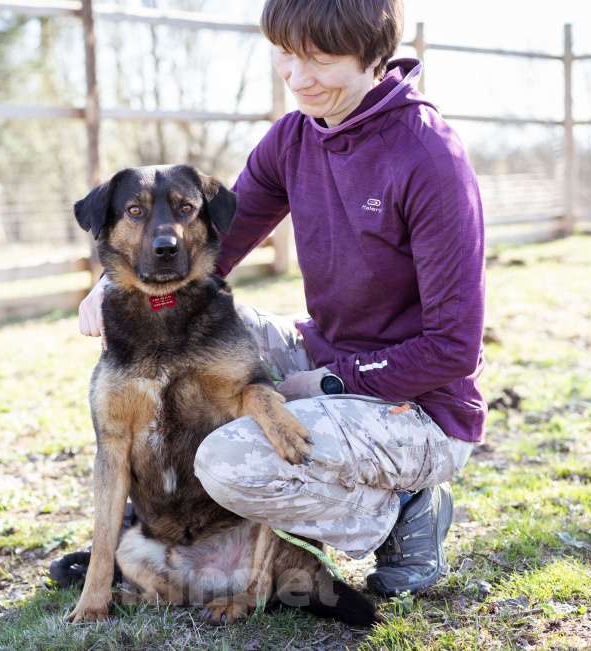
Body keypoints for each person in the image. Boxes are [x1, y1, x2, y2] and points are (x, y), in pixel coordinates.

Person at [75, 0, 485, 597]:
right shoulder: (294, 138)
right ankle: (156, 517)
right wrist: (113, 283)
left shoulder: (428, 160)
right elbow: (215, 249)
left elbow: (453, 349)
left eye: (321, 58)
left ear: (374, 55)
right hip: (328, 354)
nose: (298, 76)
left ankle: (402, 513)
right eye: (287, 55)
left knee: (230, 462)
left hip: (423, 407)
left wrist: (325, 384)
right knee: (161, 329)